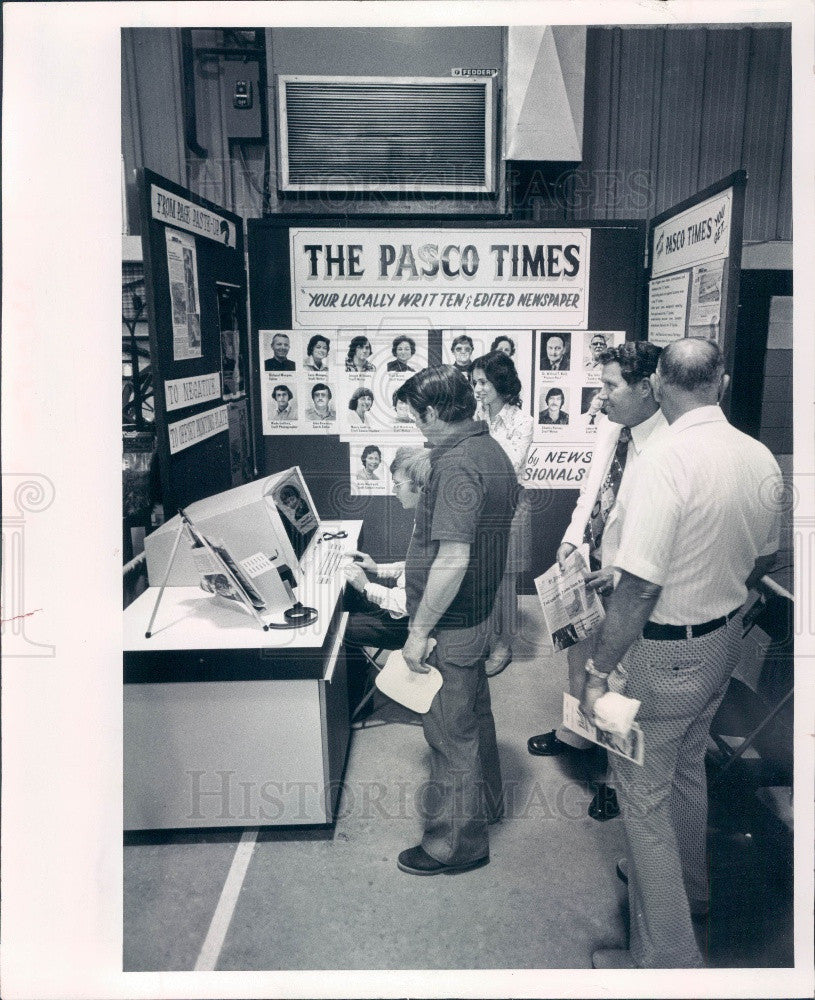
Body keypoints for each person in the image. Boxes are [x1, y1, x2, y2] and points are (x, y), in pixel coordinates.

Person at [581, 339, 782, 970]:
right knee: (687, 768)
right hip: (721, 644)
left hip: (659, 656)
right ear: (721, 382)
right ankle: (691, 890)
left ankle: (669, 964)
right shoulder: (759, 458)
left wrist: (596, 672)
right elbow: (764, 559)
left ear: (662, 385)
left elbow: (640, 585)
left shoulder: (663, 459)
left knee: (641, 803)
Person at [527, 341, 666, 823]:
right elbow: (592, 487)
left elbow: (658, 530)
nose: (600, 397)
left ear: (647, 389)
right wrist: (570, 540)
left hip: (624, 575)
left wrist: (623, 570)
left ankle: (614, 777)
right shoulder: (614, 427)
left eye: (610, 386)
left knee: (618, 674)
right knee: (578, 654)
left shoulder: (668, 444)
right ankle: (575, 735)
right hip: (586, 557)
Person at [392, 366, 518, 876]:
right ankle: (484, 807)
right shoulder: (490, 450)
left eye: (417, 420)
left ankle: (455, 845)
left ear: (436, 412)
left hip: (454, 623)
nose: (417, 432)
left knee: (450, 735)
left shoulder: (458, 465)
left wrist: (419, 632)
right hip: (477, 613)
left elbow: (452, 558)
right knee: (475, 719)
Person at [343, 448, 431, 714]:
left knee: (338, 630)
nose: (394, 491)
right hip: (405, 611)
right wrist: (377, 568)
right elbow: (413, 569)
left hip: (409, 626)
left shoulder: (432, 530)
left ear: (420, 486)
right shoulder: (425, 517)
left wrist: (366, 585)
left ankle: (358, 698)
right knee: (348, 603)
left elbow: (409, 604)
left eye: (397, 485)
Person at [470, 351, 533, 676]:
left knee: (505, 580)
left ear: (500, 382)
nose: (477, 388)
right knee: (480, 575)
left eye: (483, 381)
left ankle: (503, 645)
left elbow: (508, 467)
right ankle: (483, 636)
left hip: (509, 506)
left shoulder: (523, 421)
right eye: (475, 381)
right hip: (474, 505)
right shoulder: (472, 417)